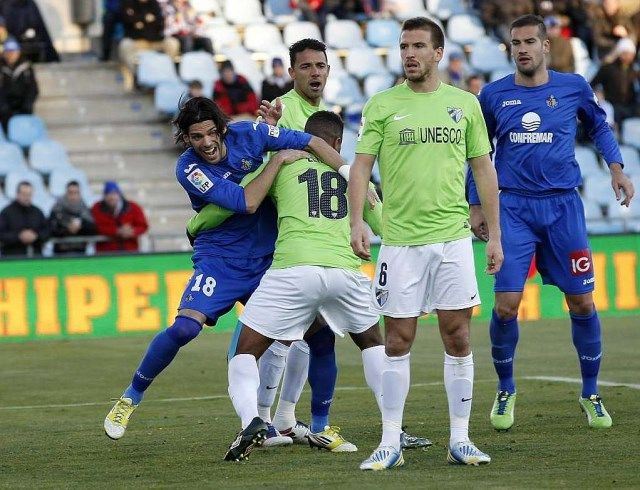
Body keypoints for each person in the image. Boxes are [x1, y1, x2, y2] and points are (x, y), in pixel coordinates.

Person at [103, 96, 348, 441]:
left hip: (267, 259)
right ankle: (131, 396)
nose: (205, 143)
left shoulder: (249, 133)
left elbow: (314, 141)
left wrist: (355, 179)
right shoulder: (188, 169)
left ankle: (321, 428)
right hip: (220, 259)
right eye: (195, 137)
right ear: (185, 139)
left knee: (320, 336)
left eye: (209, 133)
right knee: (186, 329)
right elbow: (245, 203)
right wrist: (277, 161)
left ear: (221, 127)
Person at [255, 38, 430, 451]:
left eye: (322, 65)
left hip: (314, 247)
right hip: (287, 243)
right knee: (284, 338)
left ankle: (282, 420)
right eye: (307, 67)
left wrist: (369, 204)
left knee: (298, 337)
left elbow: (355, 183)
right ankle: (268, 421)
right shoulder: (281, 111)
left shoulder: (325, 118)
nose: (316, 73)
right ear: (292, 72)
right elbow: (263, 163)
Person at [467, 14, 635, 432]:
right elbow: (476, 153)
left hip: (563, 209)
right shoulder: (493, 95)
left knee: (582, 302)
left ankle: (591, 393)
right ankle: (505, 389)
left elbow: (599, 125)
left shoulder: (573, 87)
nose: (521, 48)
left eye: (529, 41)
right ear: (509, 49)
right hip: (514, 211)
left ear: (545, 46)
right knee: (506, 306)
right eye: (514, 43)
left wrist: (616, 167)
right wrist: (475, 205)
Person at [349, 17, 503, 470]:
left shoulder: (465, 105)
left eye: (418, 46)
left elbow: (484, 170)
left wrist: (494, 235)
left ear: (439, 52)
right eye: (404, 47)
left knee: (458, 336)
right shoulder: (381, 104)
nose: (410, 54)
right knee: (397, 340)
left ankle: (461, 439)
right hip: (399, 243)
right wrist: (357, 222)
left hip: (454, 241)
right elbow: (360, 168)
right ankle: (390, 441)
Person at [189, 111, 388, 461]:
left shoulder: (280, 169)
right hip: (345, 271)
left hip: (293, 271)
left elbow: (231, 205)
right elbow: (386, 224)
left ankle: (254, 418)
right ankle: (392, 429)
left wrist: (194, 226)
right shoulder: (357, 180)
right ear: (338, 144)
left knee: (245, 352)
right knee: (373, 344)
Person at [118, 0, 180, 74]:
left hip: (155, 41)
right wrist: (145, 18)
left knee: (172, 43)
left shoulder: (154, 3)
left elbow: (160, 23)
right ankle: (138, 75)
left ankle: (163, 72)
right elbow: (128, 20)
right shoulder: (128, 3)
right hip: (136, 41)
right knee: (125, 45)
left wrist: (140, 22)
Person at [590, 37, 640, 126]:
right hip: (612, 106)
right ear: (620, 53)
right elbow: (592, 84)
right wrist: (597, 94)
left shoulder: (635, 69)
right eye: (626, 53)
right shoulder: (608, 68)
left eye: (631, 54)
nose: (629, 57)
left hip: (631, 106)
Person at [91, 181, 149, 253]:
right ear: (104, 196)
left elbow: (143, 225)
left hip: (130, 251)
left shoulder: (133, 207)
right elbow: (95, 227)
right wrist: (116, 231)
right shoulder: (97, 208)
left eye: (114, 194)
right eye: (108, 194)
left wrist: (132, 231)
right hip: (106, 253)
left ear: (119, 194)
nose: (111, 197)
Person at [0, 181, 49, 256]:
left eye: (29, 194)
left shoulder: (38, 212)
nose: (27, 197)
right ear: (17, 194)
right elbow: (2, 233)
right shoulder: (6, 212)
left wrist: (36, 236)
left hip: (36, 256)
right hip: (12, 257)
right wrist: (18, 236)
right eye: (24, 194)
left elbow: (47, 231)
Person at [0, 38, 38, 133]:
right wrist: (3, 105)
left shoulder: (26, 67)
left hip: (23, 106)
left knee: (24, 130)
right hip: (5, 108)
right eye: (8, 52)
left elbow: (33, 88)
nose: (11, 55)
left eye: (13, 52)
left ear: (18, 52)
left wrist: (27, 104)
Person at [49, 181, 97, 255]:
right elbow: (51, 228)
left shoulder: (85, 210)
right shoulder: (57, 209)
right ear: (66, 193)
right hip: (61, 253)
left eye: (76, 193)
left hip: (80, 252)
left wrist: (81, 226)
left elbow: (93, 228)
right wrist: (66, 228)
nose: (73, 196)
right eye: (70, 193)